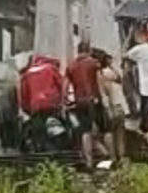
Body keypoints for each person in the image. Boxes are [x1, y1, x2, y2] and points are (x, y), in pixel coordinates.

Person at [66, 39, 103, 167]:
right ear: (89, 50)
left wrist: (66, 100)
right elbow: (99, 81)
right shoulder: (93, 63)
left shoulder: (71, 66)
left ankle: (89, 161)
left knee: (85, 130)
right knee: (102, 128)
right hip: (94, 99)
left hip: (79, 101)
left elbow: (66, 85)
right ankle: (106, 156)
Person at [19, 54, 64, 151]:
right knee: (56, 128)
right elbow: (61, 85)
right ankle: (57, 149)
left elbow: (24, 94)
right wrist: (62, 101)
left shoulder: (27, 74)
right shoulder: (51, 69)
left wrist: (27, 109)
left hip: (35, 106)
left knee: (40, 132)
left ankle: (42, 150)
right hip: (52, 103)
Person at [99, 53, 128, 161]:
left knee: (109, 132)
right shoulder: (111, 74)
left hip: (110, 106)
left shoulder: (101, 74)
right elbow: (119, 79)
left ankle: (113, 157)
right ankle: (121, 155)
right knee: (119, 132)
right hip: (118, 105)